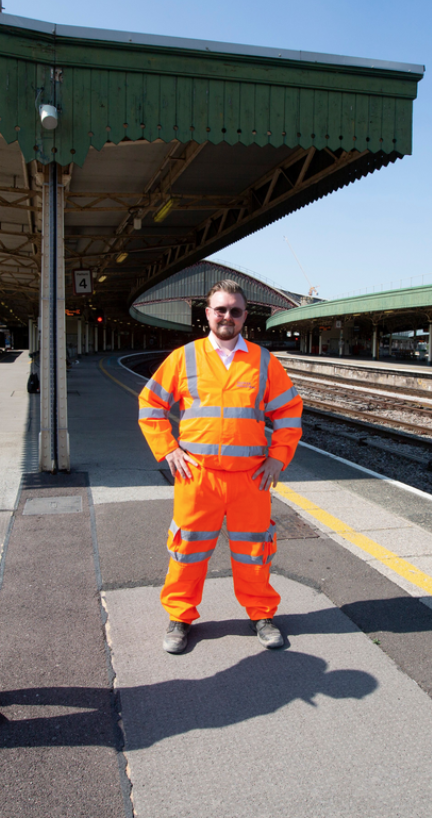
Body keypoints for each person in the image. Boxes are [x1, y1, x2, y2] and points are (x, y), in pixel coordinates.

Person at [138, 280, 304, 654]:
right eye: (220, 309)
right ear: (207, 314)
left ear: (245, 316)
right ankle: (180, 617)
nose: (227, 316)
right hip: (197, 476)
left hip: (252, 478)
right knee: (187, 550)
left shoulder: (264, 361)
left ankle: (261, 614)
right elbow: (150, 405)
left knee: (255, 550)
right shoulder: (185, 358)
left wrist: (278, 458)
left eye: (235, 310)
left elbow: (289, 412)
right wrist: (168, 450)